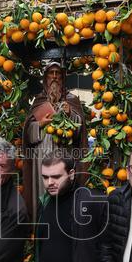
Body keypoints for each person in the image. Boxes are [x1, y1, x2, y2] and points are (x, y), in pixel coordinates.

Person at [21, 58, 88, 220]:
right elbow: (27, 134)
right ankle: (41, 223)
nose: (55, 77)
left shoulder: (71, 100)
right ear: (46, 78)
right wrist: (39, 125)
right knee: (42, 193)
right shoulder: (39, 101)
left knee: (64, 194)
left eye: (58, 73)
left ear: (63, 78)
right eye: (51, 73)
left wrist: (70, 114)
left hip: (65, 153)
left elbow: (81, 132)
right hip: (41, 157)